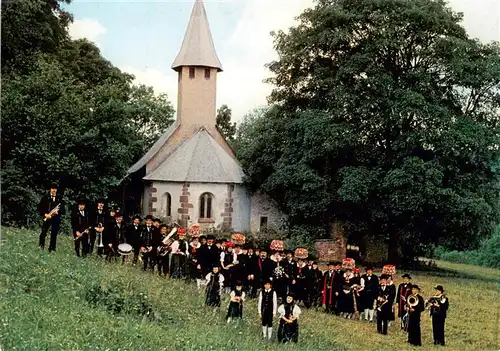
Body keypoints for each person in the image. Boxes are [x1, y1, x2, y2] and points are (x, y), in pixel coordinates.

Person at [38, 183, 65, 252]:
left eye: (55, 189)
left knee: (54, 234)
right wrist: (45, 214)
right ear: (50, 189)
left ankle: (52, 249)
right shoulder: (45, 197)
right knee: (43, 233)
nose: (54, 190)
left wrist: (58, 212)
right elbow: (40, 208)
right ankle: (41, 247)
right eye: (53, 188)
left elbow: (63, 209)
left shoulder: (59, 198)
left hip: (56, 219)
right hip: (47, 217)